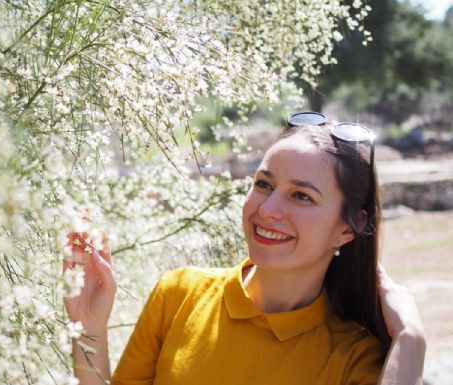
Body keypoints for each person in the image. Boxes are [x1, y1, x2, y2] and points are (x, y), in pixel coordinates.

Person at [63, 114, 426, 385]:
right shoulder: (178, 295)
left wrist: (410, 339)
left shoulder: (354, 359)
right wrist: (89, 327)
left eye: (301, 196)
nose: (267, 210)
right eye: (264, 184)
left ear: (349, 228)